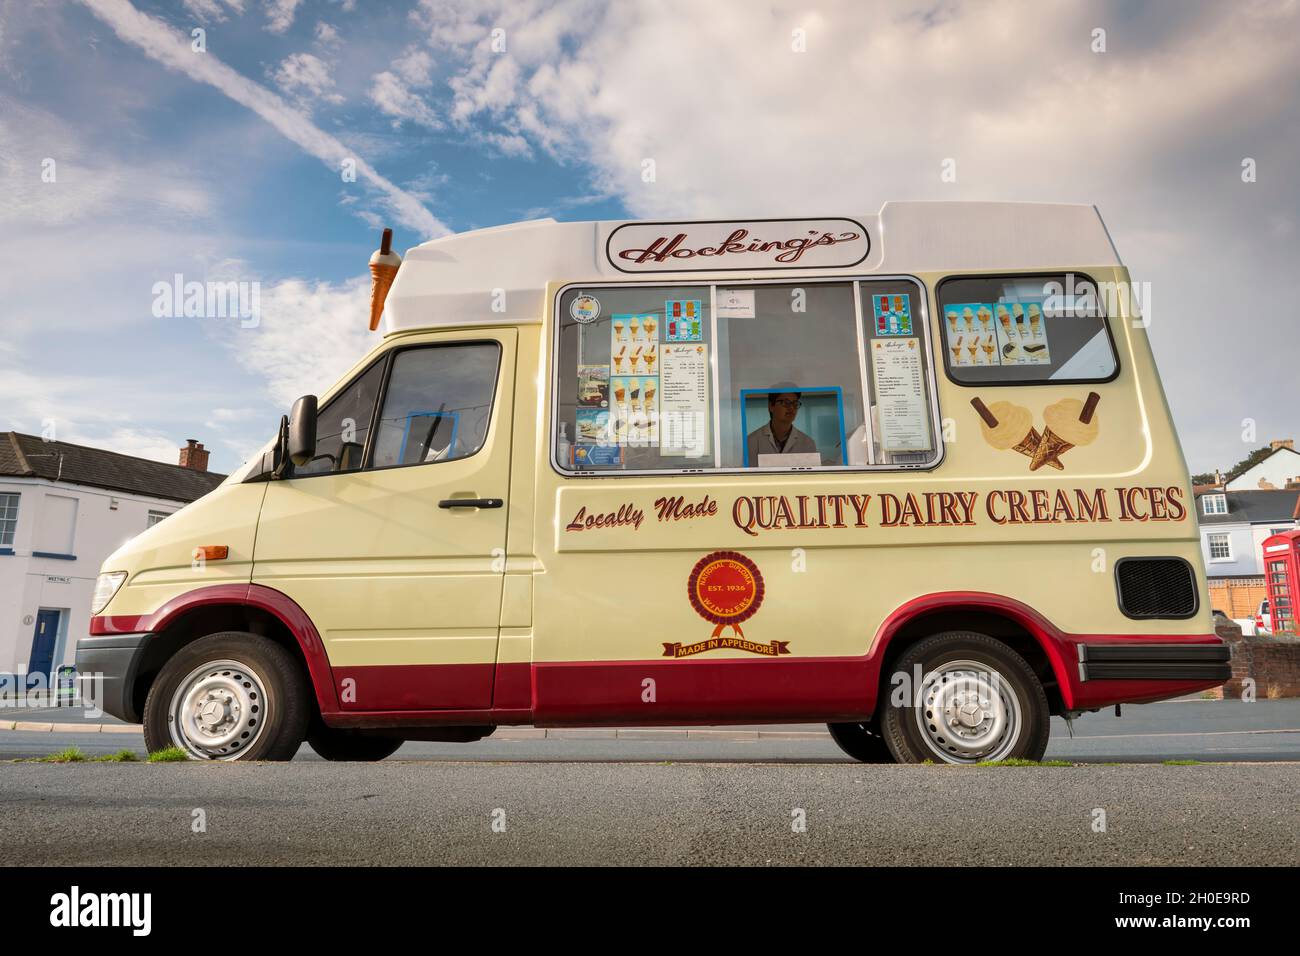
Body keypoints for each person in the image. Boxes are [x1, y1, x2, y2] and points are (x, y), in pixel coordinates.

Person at [746, 388, 818, 465]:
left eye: (795, 403)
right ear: (771, 406)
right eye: (786, 402)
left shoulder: (807, 443)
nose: (791, 408)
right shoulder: (751, 442)